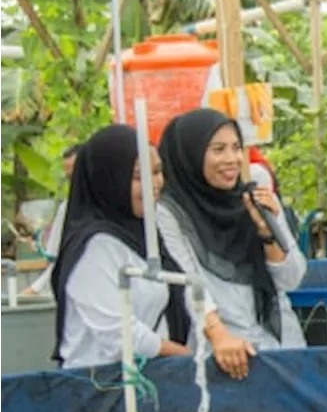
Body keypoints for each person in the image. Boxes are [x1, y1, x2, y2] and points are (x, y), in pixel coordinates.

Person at [156, 108, 307, 380]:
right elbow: (190, 281)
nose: (232, 159)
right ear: (189, 154)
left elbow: (292, 279)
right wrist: (218, 334)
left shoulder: (253, 199)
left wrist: (268, 231)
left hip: (282, 347)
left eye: (236, 148)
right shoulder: (172, 212)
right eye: (218, 149)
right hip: (225, 357)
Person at [51, 125, 196, 369]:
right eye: (140, 177)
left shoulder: (147, 235)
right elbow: (119, 334)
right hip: (101, 389)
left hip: (148, 380)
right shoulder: (94, 246)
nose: (155, 184)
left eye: (158, 172)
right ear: (109, 180)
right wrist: (186, 356)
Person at [24, 143, 82, 295]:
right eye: (69, 177)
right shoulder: (67, 208)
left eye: (77, 174)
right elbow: (56, 261)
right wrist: (33, 290)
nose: (74, 181)